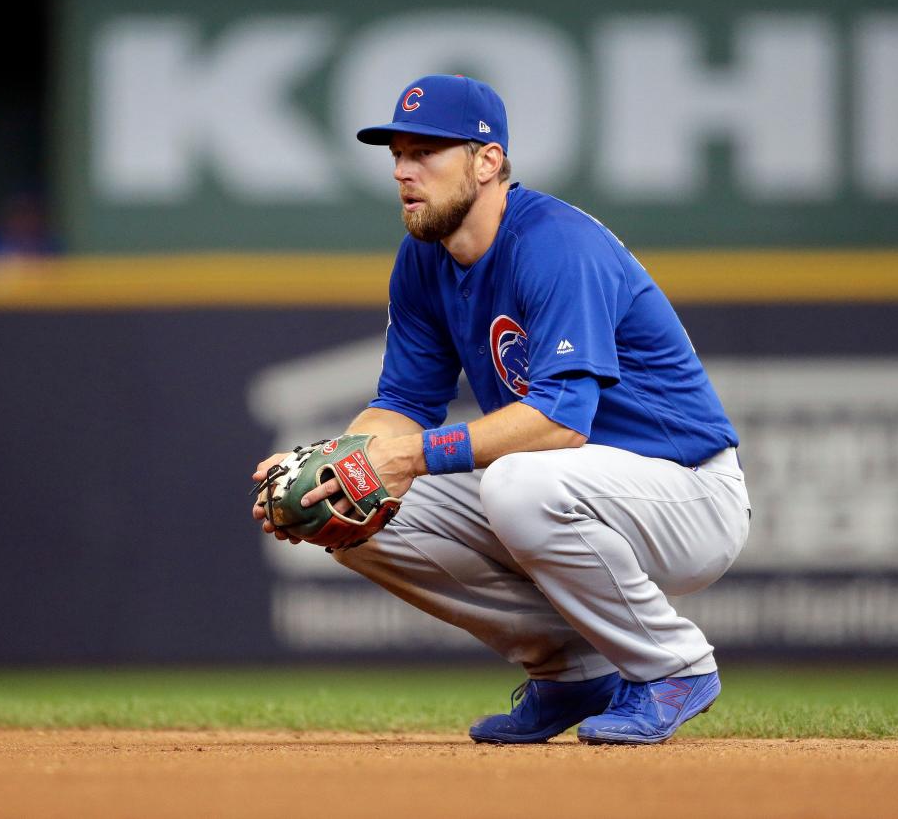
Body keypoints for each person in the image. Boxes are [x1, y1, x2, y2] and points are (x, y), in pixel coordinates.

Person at [251, 74, 751, 745]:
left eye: (425, 152)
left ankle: (673, 666)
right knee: (361, 513)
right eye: (397, 153)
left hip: (686, 490)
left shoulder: (556, 244)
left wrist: (409, 457)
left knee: (517, 480)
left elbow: (560, 422)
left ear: (487, 161)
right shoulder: (424, 259)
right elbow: (401, 404)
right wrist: (338, 464)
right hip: (575, 487)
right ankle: (573, 671)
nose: (404, 170)